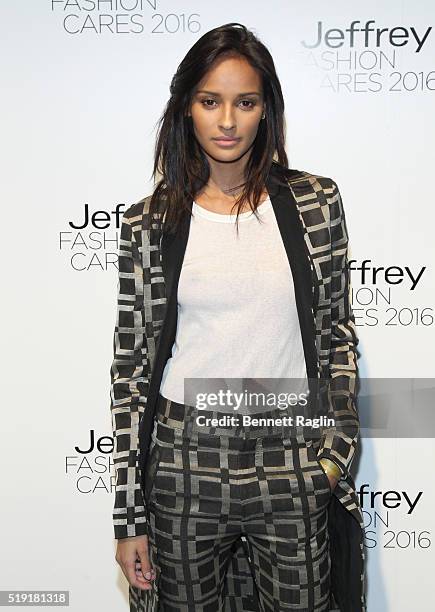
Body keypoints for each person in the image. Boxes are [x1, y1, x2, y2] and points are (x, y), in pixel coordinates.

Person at [110, 22, 366, 612]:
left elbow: (335, 338)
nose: (227, 121)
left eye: (244, 102)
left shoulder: (315, 204)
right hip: (183, 460)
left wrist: (331, 459)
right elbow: (131, 370)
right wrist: (128, 515)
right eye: (210, 101)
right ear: (186, 110)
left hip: (291, 453)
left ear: (265, 110)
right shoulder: (148, 224)